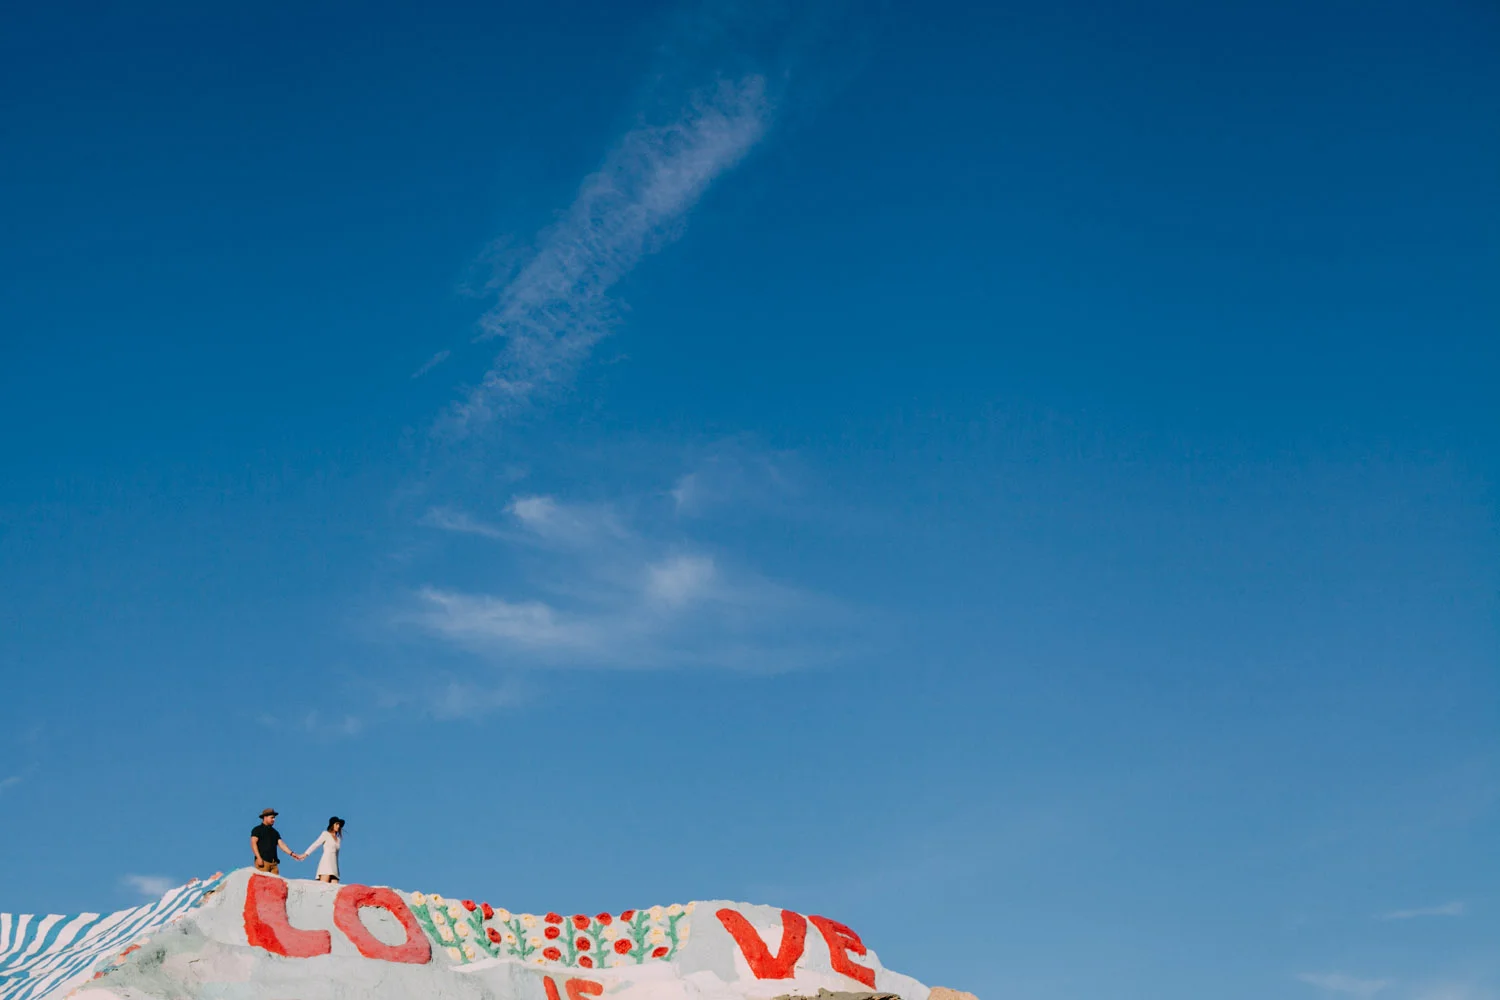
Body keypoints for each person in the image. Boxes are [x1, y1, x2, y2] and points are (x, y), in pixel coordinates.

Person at [249, 808, 304, 874]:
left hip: (274, 864)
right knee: (263, 883)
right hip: (263, 862)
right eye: (272, 818)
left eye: (274, 818)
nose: (274, 820)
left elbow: (281, 844)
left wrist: (292, 853)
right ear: (265, 817)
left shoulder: (275, 832)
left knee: (275, 883)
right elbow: (253, 843)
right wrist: (258, 858)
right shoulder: (257, 829)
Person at [303, 816, 344, 883]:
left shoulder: (338, 840)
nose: (338, 826)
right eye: (337, 824)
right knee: (323, 889)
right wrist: (305, 854)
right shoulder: (326, 834)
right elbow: (315, 844)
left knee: (335, 890)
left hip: (335, 867)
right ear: (332, 824)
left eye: (339, 824)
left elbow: (336, 855)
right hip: (326, 865)